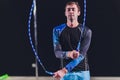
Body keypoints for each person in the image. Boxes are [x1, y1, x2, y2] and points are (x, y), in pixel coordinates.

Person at [52, 1, 92, 80]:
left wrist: (64, 70)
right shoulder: (57, 30)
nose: (71, 11)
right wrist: (69, 54)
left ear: (79, 13)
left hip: (82, 73)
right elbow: (57, 53)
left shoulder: (86, 31)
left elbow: (81, 55)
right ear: (65, 13)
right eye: (68, 9)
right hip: (66, 75)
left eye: (73, 9)